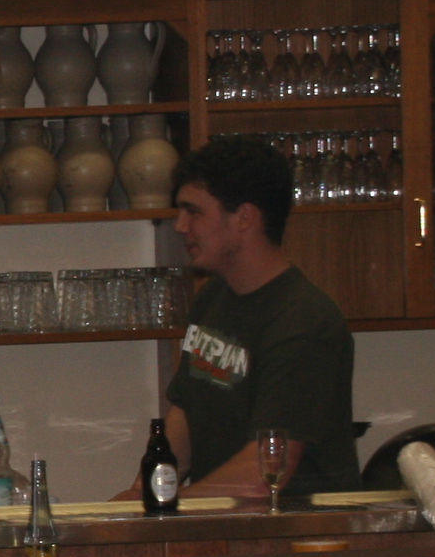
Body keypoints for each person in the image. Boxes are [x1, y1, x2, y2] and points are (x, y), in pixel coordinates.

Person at [147, 135, 359, 498]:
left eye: (194, 212)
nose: (180, 225)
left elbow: (263, 474)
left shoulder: (303, 320)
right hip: (227, 522)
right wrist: (145, 490)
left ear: (244, 217)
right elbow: (185, 414)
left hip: (295, 527)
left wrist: (165, 507)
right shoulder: (213, 297)